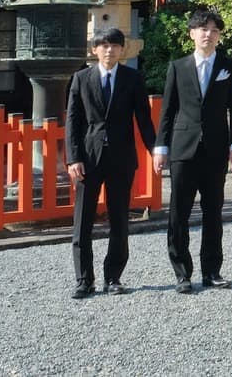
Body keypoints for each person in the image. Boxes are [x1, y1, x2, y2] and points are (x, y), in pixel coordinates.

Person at [153, 8, 232, 294]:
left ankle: (212, 271)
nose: (208, 34)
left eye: (214, 30)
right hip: (183, 147)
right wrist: (160, 147)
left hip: (216, 147)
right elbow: (167, 111)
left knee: (213, 211)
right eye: (203, 29)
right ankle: (182, 273)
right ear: (192, 33)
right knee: (178, 212)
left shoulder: (229, 66)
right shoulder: (178, 67)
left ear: (219, 36)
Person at [66, 27, 156, 299]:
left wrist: (156, 150)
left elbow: (143, 118)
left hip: (121, 156)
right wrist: (73, 157)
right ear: (94, 50)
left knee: (119, 219)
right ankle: (84, 279)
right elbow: (73, 119)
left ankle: (113, 277)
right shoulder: (81, 78)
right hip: (89, 158)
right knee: (83, 221)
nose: (109, 50)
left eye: (114, 45)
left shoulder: (132, 78)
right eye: (103, 45)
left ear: (122, 50)